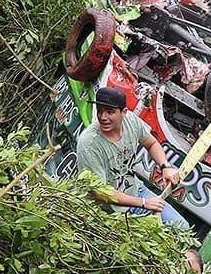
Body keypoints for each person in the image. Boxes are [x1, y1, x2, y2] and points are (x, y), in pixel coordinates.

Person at [77, 87, 190, 228]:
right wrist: (143, 203)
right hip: (107, 211)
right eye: (99, 110)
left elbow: (152, 143)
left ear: (124, 112)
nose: (103, 117)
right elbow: (99, 192)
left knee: (181, 228)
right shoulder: (89, 144)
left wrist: (165, 167)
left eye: (110, 112)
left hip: (135, 190)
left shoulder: (131, 121)